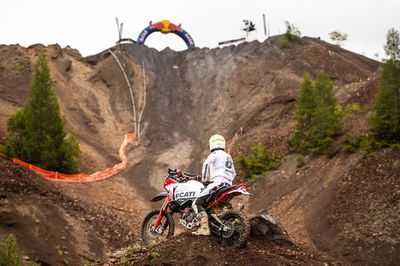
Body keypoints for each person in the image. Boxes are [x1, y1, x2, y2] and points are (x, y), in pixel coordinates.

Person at [192, 134, 236, 235]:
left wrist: (204, 180)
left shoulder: (215, 153)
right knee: (209, 205)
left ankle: (204, 228)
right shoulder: (228, 156)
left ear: (211, 144)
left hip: (218, 182)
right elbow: (234, 173)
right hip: (228, 184)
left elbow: (206, 164)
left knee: (197, 203)